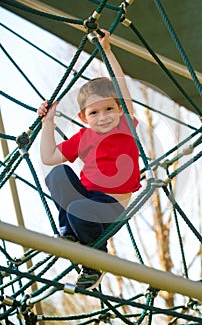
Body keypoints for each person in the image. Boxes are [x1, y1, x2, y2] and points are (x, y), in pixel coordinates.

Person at [37, 29, 141, 290]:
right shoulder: (83, 137)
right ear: (84, 117)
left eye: (109, 109)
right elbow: (49, 157)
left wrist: (107, 51)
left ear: (120, 109)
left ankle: (95, 261)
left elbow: (120, 84)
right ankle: (70, 234)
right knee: (58, 174)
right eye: (95, 112)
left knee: (80, 209)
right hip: (84, 201)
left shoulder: (124, 126)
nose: (103, 116)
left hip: (109, 208)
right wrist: (47, 122)